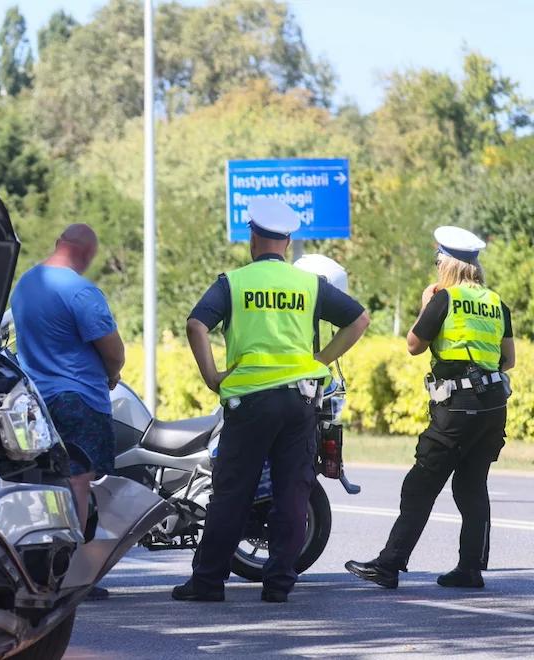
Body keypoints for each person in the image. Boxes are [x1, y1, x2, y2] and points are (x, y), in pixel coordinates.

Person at [174, 198, 369, 603]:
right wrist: (320, 361)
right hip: (300, 403)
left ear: (253, 238)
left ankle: (208, 583)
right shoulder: (309, 284)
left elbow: (196, 324)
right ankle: (278, 584)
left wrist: (213, 377)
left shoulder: (234, 282)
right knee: (292, 493)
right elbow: (359, 320)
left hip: (249, 404)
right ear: (288, 241)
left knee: (232, 493)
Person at [346, 226, 514, 590]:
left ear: (447, 263)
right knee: (471, 488)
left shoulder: (444, 299)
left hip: (457, 409)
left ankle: (389, 565)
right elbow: (508, 359)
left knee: (420, 485)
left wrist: (425, 304)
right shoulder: (496, 302)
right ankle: (470, 569)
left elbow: (414, 345)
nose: (436, 267)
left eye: (437, 260)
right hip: (492, 407)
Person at [10, 224, 125, 599]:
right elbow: (113, 350)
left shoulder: (26, 284)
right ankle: (71, 575)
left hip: (35, 400)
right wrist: (112, 374)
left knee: (45, 482)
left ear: (59, 243)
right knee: (78, 481)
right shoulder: (81, 291)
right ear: (87, 254)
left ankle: (35, 567)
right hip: (78, 397)